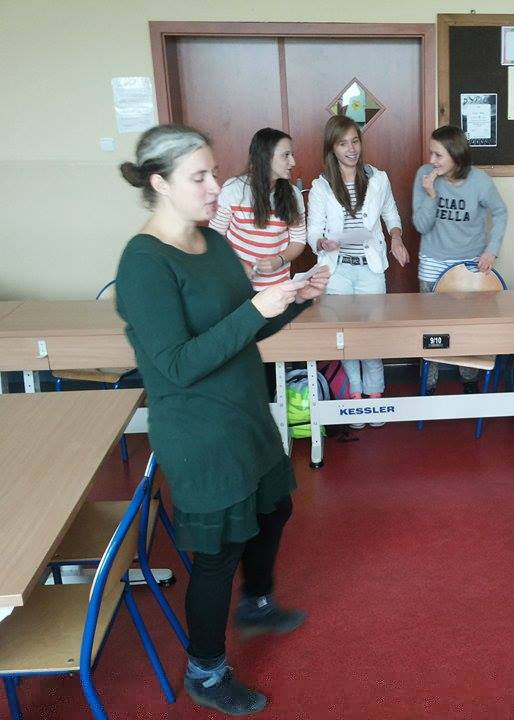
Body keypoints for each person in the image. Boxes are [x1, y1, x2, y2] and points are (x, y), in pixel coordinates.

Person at [116, 124, 330, 716]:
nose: (216, 186)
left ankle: (256, 605)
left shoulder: (211, 242)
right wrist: (256, 309)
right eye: (200, 177)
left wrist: (295, 299)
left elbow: (241, 326)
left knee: (274, 508)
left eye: (214, 172)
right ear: (160, 183)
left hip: (243, 414)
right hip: (199, 432)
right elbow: (177, 364)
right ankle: (205, 672)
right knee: (218, 552)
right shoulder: (143, 263)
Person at [307, 116, 408, 426]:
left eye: (354, 141)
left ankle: (375, 395)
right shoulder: (321, 186)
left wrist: (396, 238)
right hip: (337, 271)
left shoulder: (378, 179)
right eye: (342, 144)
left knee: (371, 333)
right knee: (345, 336)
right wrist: (321, 242)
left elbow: (391, 213)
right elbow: (314, 231)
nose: (351, 149)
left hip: (370, 269)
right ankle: (354, 395)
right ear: (332, 148)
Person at [412, 125, 507, 392]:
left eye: (438, 155)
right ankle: (428, 384)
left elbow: (501, 212)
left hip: (468, 264)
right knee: (431, 328)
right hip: (433, 260)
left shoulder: (480, 181)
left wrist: (492, 250)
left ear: (456, 155)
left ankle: (469, 380)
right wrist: (431, 195)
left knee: (468, 325)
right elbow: (421, 226)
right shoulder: (425, 176)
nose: (432, 160)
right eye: (431, 153)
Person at [209, 127, 307, 290]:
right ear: (265, 156)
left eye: (292, 155)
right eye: (286, 155)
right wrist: (238, 264)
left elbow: (298, 240)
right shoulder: (233, 189)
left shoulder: (293, 194)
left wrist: (280, 260)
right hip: (237, 283)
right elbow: (214, 236)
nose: (293, 162)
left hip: (277, 287)